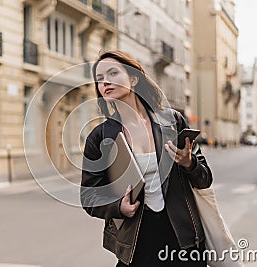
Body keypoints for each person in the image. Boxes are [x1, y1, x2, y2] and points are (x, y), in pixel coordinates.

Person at [81, 50, 213, 266]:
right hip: (136, 242)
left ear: (134, 78)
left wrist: (189, 163)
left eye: (113, 73)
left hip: (183, 239)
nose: (105, 82)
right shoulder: (100, 137)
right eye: (100, 79)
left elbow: (205, 179)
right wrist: (118, 207)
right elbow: (89, 197)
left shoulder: (172, 122)